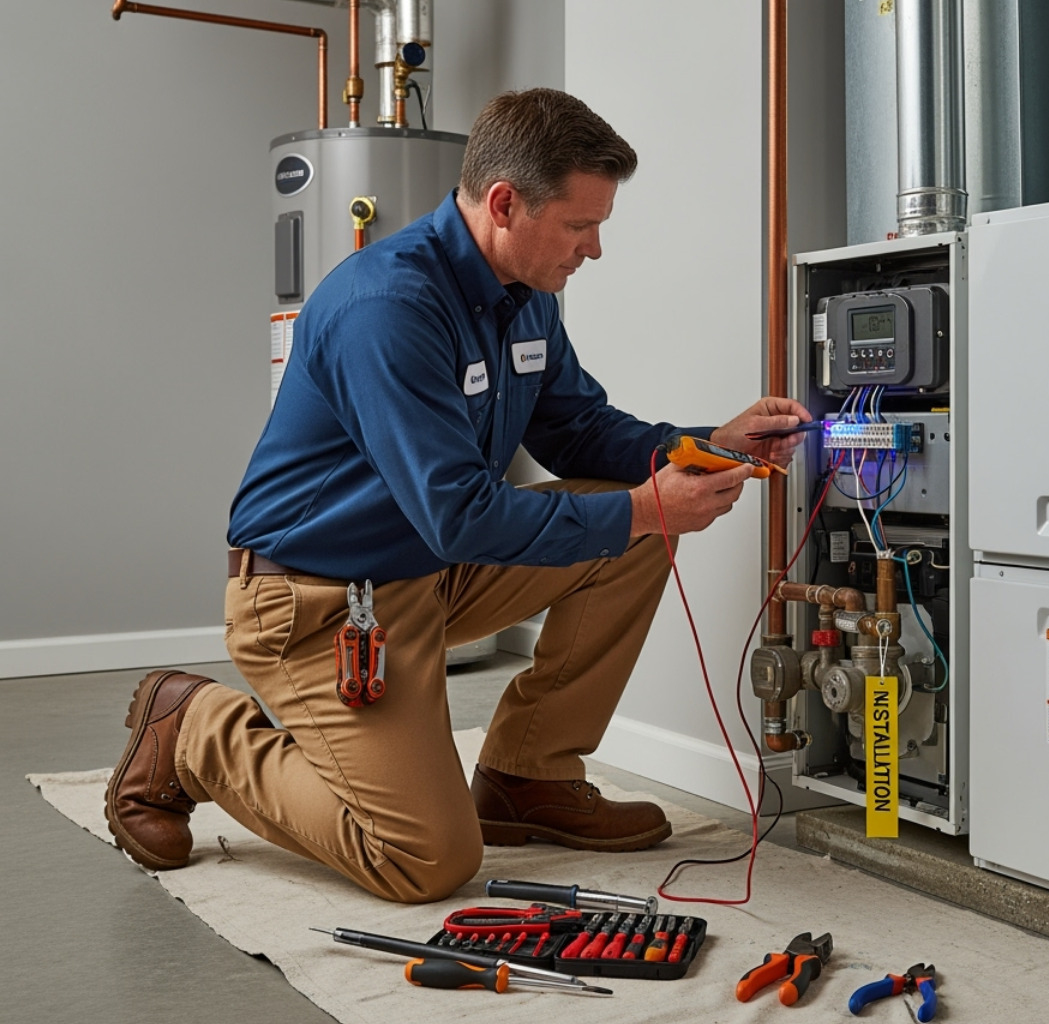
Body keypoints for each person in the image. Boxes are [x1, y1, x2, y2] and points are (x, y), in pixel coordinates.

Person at [103, 88, 810, 903]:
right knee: (426, 860)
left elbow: (579, 431)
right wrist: (648, 508)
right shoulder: (389, 309)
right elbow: (462, 513)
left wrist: (708, 443)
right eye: (583, 226)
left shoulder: (526, 301)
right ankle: (195, 731)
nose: (596, 249)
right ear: (506, 204)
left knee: (631, 519)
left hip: (427, 571)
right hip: (318, 602)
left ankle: (526, 777)